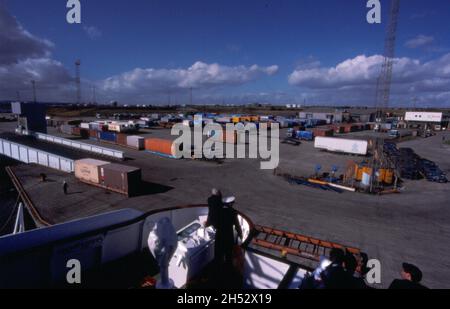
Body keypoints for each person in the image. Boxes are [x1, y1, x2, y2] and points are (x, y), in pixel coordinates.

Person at [214, 196, 243, 268]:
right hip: (228, 236)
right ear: (230, 204)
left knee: (218, 255)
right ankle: (228, 270)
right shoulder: (233, 212)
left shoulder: (218, 211)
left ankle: (217, 269)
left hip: (219, 236)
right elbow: (237, 225)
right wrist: (240, 234)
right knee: (228, 255)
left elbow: (214, 223)